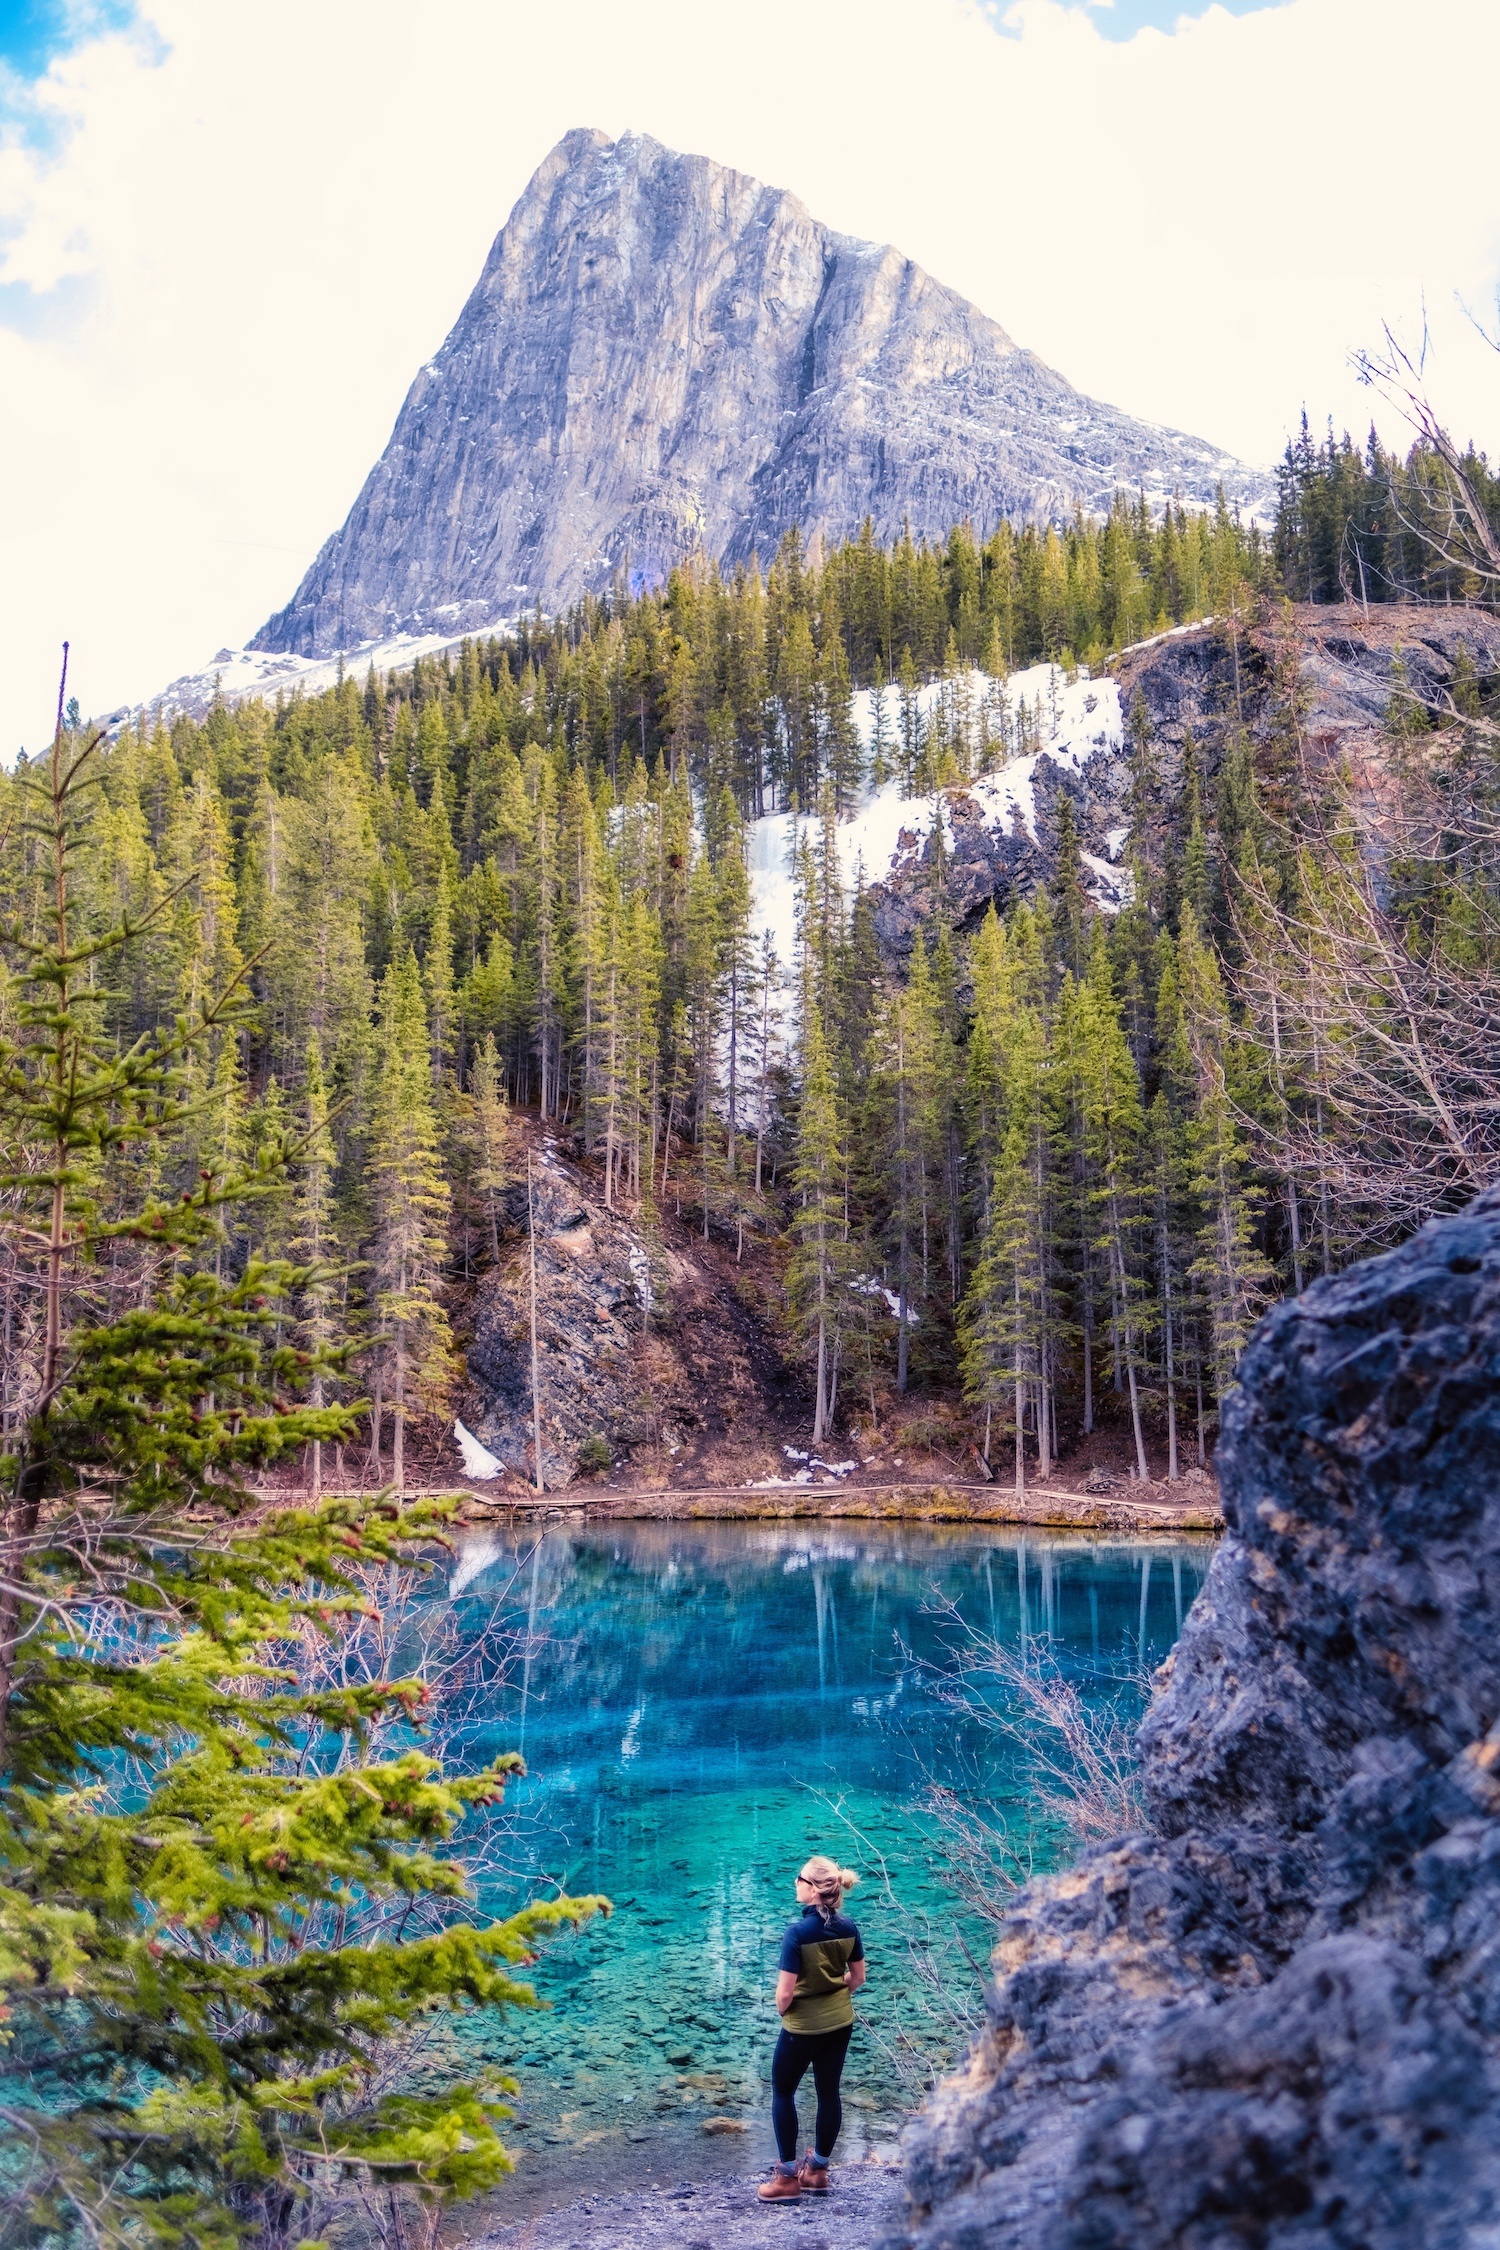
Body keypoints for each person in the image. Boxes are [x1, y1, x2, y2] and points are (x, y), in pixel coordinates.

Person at [756, 1855, 865, 2202]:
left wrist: (789, 2008)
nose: (795, 1883)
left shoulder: (797, 1934)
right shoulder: (849, 1928)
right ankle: (817, 2171)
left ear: (814, 1889)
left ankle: (787, 2178)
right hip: (840, 2023)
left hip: (801, 2028)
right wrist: (831, 1993)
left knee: (783, 2091)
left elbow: (784, 1994)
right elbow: (858, 1978)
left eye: (799, 1878)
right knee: (828, 2091)